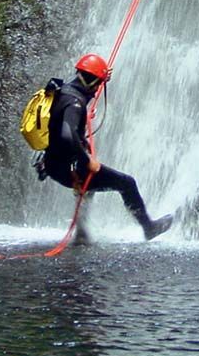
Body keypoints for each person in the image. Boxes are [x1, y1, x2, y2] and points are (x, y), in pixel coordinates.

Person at [36, 53, 172, 240]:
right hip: (66, 167)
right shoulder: (75, 103)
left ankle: (81, 233)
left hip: (52, 162)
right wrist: (87, 160)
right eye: (98, 84)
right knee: (127, 183)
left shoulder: (63, 91)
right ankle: (148, 227)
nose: (98, 89)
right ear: (91, 82)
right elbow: (68, 135)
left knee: (89, 184)